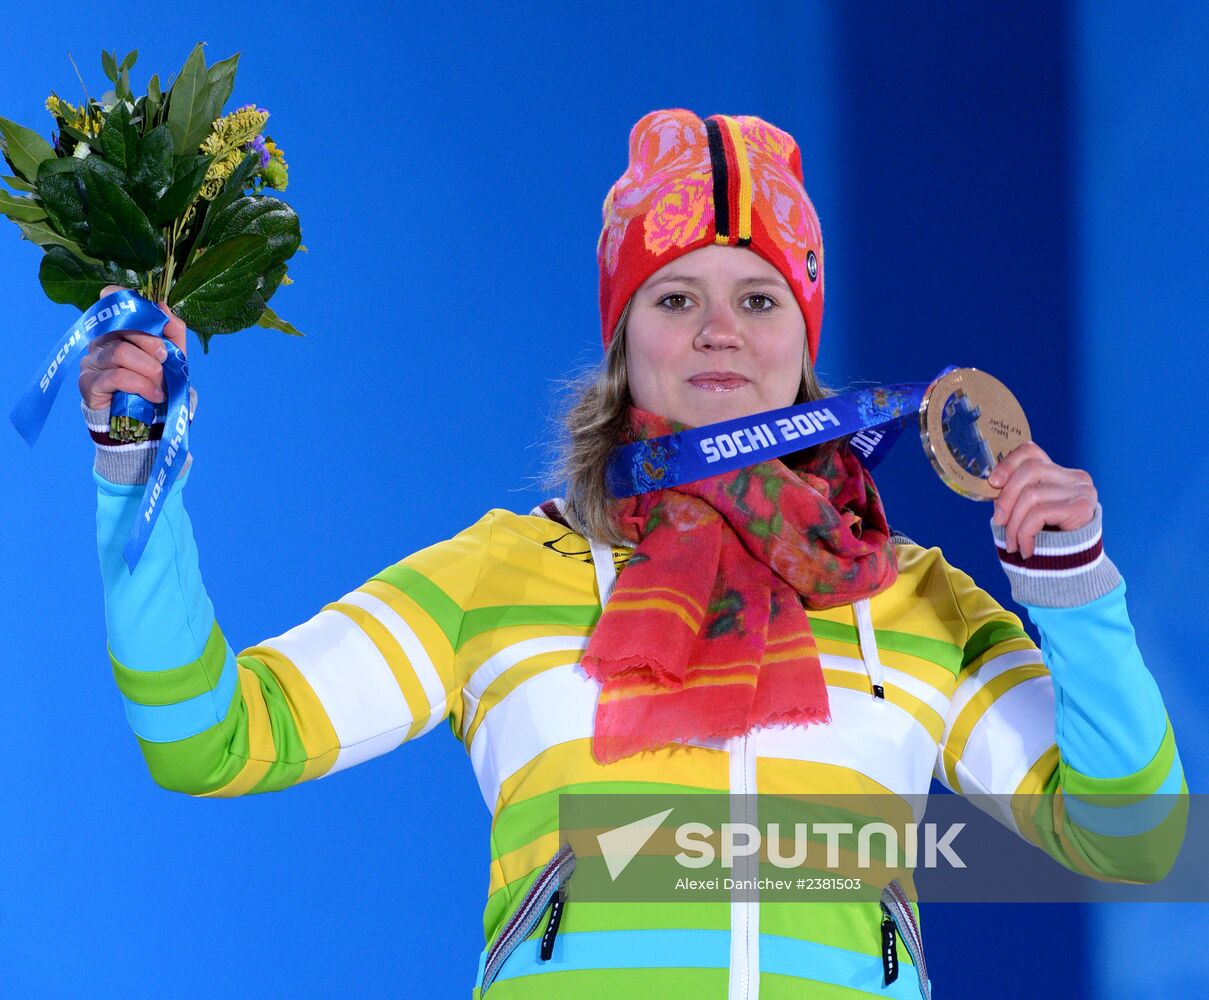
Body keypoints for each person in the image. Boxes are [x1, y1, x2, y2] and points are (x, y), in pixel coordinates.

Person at [78, 109, 1184, 999]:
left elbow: (1132, 838)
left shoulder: (908, 597)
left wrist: (1075, 589)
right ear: (625, 339)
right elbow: (209, 739)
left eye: (759, 297)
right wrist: (131, 463)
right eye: (675, 296)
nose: (720, 329)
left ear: (804, 344)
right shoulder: (496, 578)